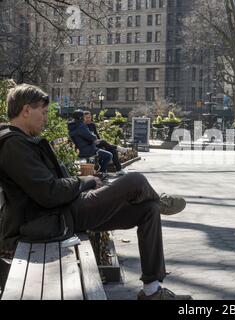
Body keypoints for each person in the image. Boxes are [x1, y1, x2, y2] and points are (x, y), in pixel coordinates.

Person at [0, 84, 192, 300]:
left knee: (149, 209)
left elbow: (53, 185)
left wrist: (89, 182)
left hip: (62, 213)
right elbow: (49, 192)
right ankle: (158, 198)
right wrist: (84, 181)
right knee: (135, 180)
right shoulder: (14, 145)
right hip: (53, 219)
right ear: (26, 110)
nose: (45, 118)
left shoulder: (23, 142)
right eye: (43, 113)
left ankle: (152, 290)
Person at [83, 110, 129, 176]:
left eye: (89, 117)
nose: (88, 119)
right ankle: (116, 147)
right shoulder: (82, 127)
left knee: (112, 150)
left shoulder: (92, 125)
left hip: (96, 144)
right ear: (83, 118)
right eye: (86, 117)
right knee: (104, 142)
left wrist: (97, 141)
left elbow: (97, 136)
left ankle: (119, 170)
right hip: (88, 146)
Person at [68, 110, 113, 176]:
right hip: (87, 150)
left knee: (102, 146)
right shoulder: (81, 126)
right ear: (81, 117)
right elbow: (92, 137)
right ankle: (102, 172)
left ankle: (99, 172)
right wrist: (93, 137)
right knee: (109, 155)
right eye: (83, 116)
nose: (84, 118)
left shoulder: (72, 126)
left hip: (79, 149)